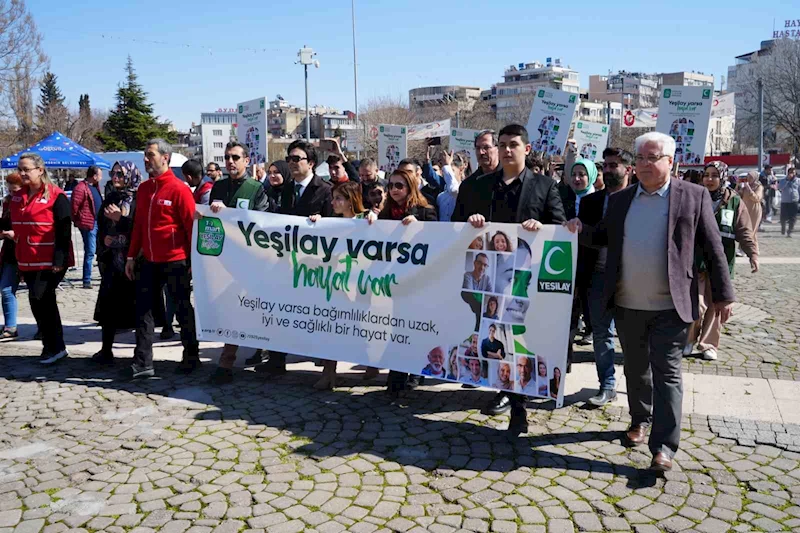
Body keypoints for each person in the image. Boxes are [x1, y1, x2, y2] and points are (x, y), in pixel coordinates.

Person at [565, 131, 735, 471]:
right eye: (640, 158)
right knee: (636, 368)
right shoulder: (623, 199)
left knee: (667, 373)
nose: (643, 164)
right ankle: (640, 420)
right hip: (627, 303)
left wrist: (723, 295)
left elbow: (713, 247)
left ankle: (664, 448)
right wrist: (579, 228)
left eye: (652, 157)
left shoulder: (694, 196)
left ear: (670, 162)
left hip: (671, 305)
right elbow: (604, 236)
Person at [452, 123, 566, 436]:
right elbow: (456, 225)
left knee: (518, 339)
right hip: (488, 277)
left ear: (526, 149)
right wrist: (472, 223)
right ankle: (510, 399)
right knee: (493, 336)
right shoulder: (480, 186)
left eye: (513, 144)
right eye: (501, 144)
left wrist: (540, 227)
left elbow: (560, 228)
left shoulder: (544, 186)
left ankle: (520, 404)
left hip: (522, 278)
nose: (506, 150)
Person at [254, 140, 333, 378]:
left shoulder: (325, 189)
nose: (291, 163)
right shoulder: (285, 190)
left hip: (314, 265)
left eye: (296, 159)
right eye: (289, 158)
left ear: (310, 163)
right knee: (281, 309)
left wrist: (322, 223)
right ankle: (277, 359)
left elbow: (335, 226)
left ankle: (324, 357)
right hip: (287, 262)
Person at [123, 139, 200, 380]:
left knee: (182, 310)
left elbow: (190, 227)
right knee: (143, 312)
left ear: (165, 157)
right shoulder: (145, 189)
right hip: (149, 261)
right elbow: (138, 226)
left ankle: (191, 356)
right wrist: (131, 256)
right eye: (145, 155)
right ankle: (143, 361)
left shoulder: (179, 189)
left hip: (176, 261)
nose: (146, 159)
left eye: (150, 155)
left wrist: (191, 263)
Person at [204, 142, 274, 384]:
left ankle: (266, 350)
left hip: (251, 262)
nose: (230, 162)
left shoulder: (257, 189)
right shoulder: (219, 187)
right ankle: (226, 362)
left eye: (235, 157)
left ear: (246, 160)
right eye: (226, 158)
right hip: (224, 261)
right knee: (230, 310)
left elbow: (261, 222)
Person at [372, 168, 437, 396]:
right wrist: (370, 221)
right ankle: (396, 378)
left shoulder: (426, 210)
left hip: (417, 283)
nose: (394, 190)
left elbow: (438, 239)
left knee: (413, 331)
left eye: (399, 185)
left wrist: (421, 225)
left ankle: (412, 374)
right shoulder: (386, 213)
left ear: (410, 186)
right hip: (393, 282)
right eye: (391, 186)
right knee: (396, 331)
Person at [685, 161, 758, 361]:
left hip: (721, 263)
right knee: (695, 304)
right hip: (695, 260)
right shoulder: (694, 197)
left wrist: (753, 254)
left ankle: (708, 344)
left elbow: (744, 230)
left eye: (714, 175)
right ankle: (689, 339)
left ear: (723, 177)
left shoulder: (734, 202)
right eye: (706, 175)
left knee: (716, 306)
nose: (709, 179)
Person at [308, 181, 378, 389]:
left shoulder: (366, 220)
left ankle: (371, 364)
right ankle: (329, 372)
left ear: (350, 201)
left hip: (361, 286)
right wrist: (317, 222)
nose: (333, 202)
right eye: (333, 198)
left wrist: (374, 219)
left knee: (361, 327)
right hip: (336, 284)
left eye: (338, 198)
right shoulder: (333, 223)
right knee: (331, 328)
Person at [579, 147, 633, 407]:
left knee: (633, 337)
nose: (610, 170)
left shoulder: (639, 200)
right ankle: (607, 385)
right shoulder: (590, 202)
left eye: (615, 165)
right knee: (601, 334)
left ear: (628, 169)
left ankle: (640, 389)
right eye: (607, 165)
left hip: (632, 276)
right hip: (597, 278)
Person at [92, 161, 159, 365]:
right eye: (113, 173)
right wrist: (104, 242)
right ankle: (106, 350)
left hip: (136, 261)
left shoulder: (140, 198)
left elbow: (141, 228)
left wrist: (120, 219)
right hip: (113, 261)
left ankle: (140, 356)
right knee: (109, 308)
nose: (116, 177)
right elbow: (101, 224)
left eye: (120, 174)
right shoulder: (112, 197)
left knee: (139, 311)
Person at [9, 153, 74, 364]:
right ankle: (52, 345)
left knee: (42, 299)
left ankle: (55, 346)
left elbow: (64, 230)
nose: (22, 173)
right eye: (20, 169)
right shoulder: (18, 196)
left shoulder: (56, 196)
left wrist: (59, 259)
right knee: (37, 302)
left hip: (49, 259)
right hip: (27, 259)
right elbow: (10, 223)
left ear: (40, 170)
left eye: (26, 169)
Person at [71, 165, 103, 289]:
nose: (101, 177)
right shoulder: (80, 188)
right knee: (90, 252)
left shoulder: (95, 187)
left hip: (98, 222)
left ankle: (102, 274)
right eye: (99, 175)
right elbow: (74, 207)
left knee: (99, 250)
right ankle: (86, 280)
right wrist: (79, 221)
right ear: (94, 176)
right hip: (88, 224)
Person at [0, 173, 22, 339]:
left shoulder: (27, 201)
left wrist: (16, 234)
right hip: (10, 252)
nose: (11, 191)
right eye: (9, 188)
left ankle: (44, 328)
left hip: (28, 251)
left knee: (37, 294)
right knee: (6, 289)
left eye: (14, 188)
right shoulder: (7, 202)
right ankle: (10, 327)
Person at [436, 151, 469, 222]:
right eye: (444, 171)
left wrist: (447, 166)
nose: (446, 174)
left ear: (461, 169)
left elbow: (454, 190)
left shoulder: (467, 189)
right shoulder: (440, 197)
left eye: (452, 170)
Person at [737, 171, 764, 244]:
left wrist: (749, 189)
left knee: (751, 230)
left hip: (754, 211)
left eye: (751, 177)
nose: (749, 179)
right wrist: (737, 185)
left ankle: (747, 249)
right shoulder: (745, 187)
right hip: (745, 209)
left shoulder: (759, 187)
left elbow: (756, 198)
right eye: (748, 177)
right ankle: (751, 249)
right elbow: (737, 195)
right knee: (744, 229)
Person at [778, 167, 799, 237]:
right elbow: (780, 188)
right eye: (791, 172)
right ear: (788, 173)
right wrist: (787, 180)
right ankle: (783, 227)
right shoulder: (783, 180)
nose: (792, 174)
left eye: (794, 172)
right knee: (783, 218)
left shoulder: (798, 180)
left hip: (794, 201)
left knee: (793, 218)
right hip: (785, 201)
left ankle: (790, 231)